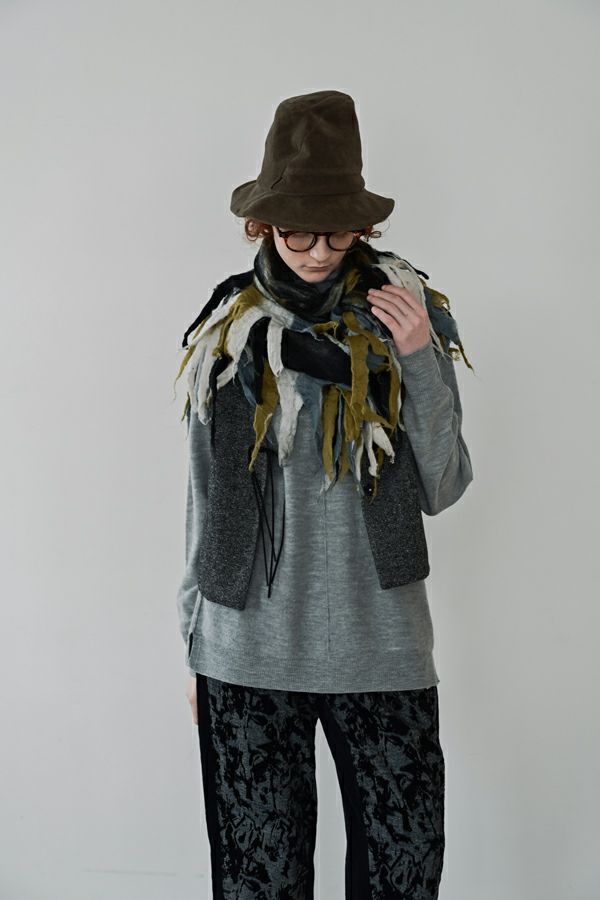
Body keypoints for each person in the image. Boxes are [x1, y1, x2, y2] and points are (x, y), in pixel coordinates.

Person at [174, 89, 474, 899]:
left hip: (381, 649)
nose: (315, 251)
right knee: (258, 886)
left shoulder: (403, 317)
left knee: (403, 878)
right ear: (262, 227)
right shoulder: (229, 334)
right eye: (295, 232)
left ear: (361, 227)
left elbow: (444, 485)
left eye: (335, 232)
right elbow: (202, 500)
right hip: (244, 650)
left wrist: (418, 360)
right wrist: (195, 645)